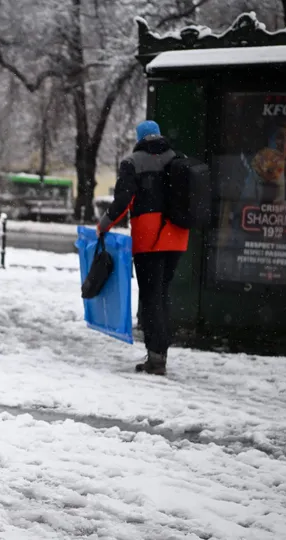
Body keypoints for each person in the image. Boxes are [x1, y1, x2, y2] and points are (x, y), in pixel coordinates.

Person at [97, 120, 189, 376]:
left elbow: (123, 200)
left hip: (150, 239)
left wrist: (104, 224)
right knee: (162, 294)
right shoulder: (178, 158)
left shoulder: (132, 162)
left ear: (140, 138)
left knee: (150, 297)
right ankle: (160, 352)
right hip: (178, 236)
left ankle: (156, 358)